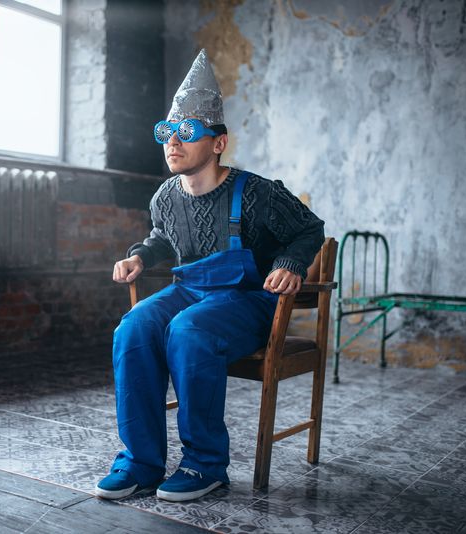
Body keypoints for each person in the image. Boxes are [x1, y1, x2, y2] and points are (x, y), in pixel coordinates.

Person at [94, 49, 325, 502]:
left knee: (189, 330)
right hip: (191, 290)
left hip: (246, 301)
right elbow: (163, 235)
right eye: (167, 133)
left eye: (187, 133)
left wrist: (290, 263)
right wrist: (140, 255)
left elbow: (308, 230)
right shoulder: (164, 197)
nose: (173, 144)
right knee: (134, 328)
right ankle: (141, 462)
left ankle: (205, 466)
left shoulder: (256, 192)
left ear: (218, 142)